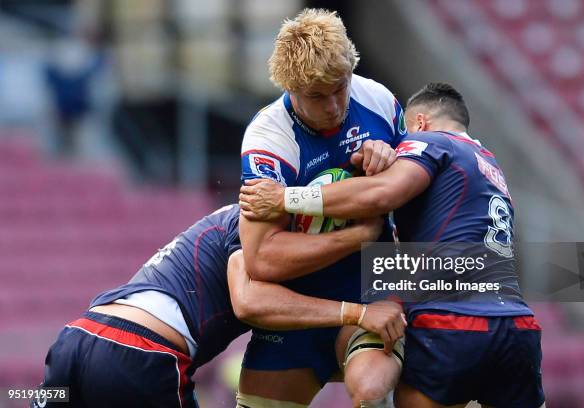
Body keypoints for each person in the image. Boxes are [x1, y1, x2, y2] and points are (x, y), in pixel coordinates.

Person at [240, 83, 546, 408]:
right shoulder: (489, 165)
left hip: (450, 321)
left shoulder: (431, 142)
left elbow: (382, 193)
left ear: (420, 124)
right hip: (518, 326)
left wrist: (287, 198)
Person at [32, 204, 406, 408]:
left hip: (77, 338)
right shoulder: (261, 224)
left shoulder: (246, 221)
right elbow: (248, 302)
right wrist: (357, 312)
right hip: (141, 355)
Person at [238, 8, 408, 407]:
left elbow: (419, 194)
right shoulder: (269, 141)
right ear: (290, 89)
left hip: (373, 292)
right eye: (317, 96)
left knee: (371, 391)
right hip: (301, 306)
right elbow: (262, 260)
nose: (333, 105)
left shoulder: (378, 100)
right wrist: (359, 235)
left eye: (340, 87)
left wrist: (394, 164)